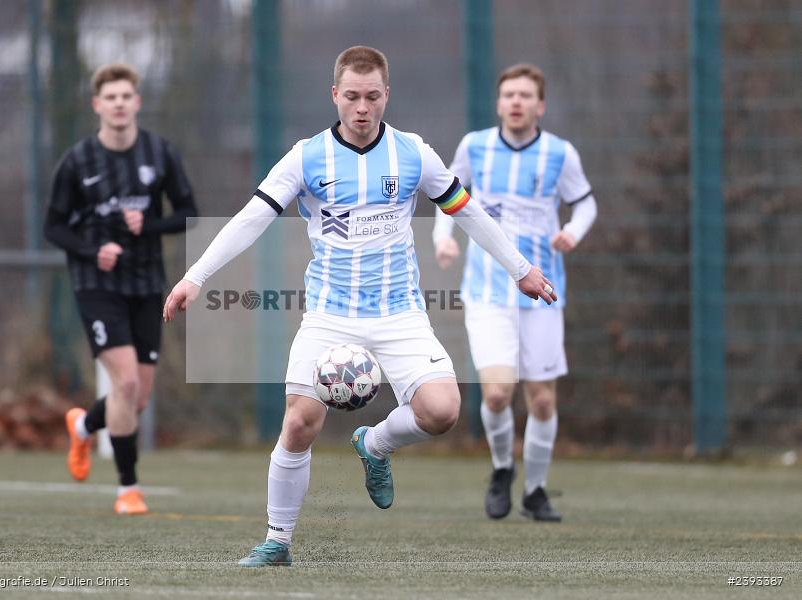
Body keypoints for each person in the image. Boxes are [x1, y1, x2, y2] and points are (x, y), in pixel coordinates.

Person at [163, 46, 555, 567]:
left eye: (372, 96)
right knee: (300, 420)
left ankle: (374, 445)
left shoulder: (414, 153)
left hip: (400, 313)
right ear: (335, 95)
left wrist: (521, 268)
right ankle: (277, 540)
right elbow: (250, 219)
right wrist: (196, 276)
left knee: (442, 412)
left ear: (386, 95)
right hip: (328, 314)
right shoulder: (307, 156)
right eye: (352, 96)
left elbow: (470, 213)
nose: (362, 107)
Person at [433, 63, 597, 522]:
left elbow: (585, 202)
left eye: (525, 95)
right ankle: (503, 470)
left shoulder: (560, 154)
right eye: (509, 95)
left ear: (540, 105)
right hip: (487, 290)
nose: (516, 102)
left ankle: (536, 490)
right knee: (499, 394)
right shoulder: (475, 147)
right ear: (499, 102)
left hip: (543, 291)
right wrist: (442, 238)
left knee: (542, 399)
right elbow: (446, 194)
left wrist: (573, 232)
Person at [44, 63, 198, 515]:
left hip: (147, 282)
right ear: (97, 105)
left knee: (137, 396)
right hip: (97, 284)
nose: (118, 104)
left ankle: (82, 426)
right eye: (109, 97)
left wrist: (149, 224)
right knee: (126, 382)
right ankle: (127, 489)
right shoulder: (77, 162)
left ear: (137, 102)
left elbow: (188, 210)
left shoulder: (159, 153)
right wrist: (93, 252)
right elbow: (53, 227)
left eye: (125, 96)